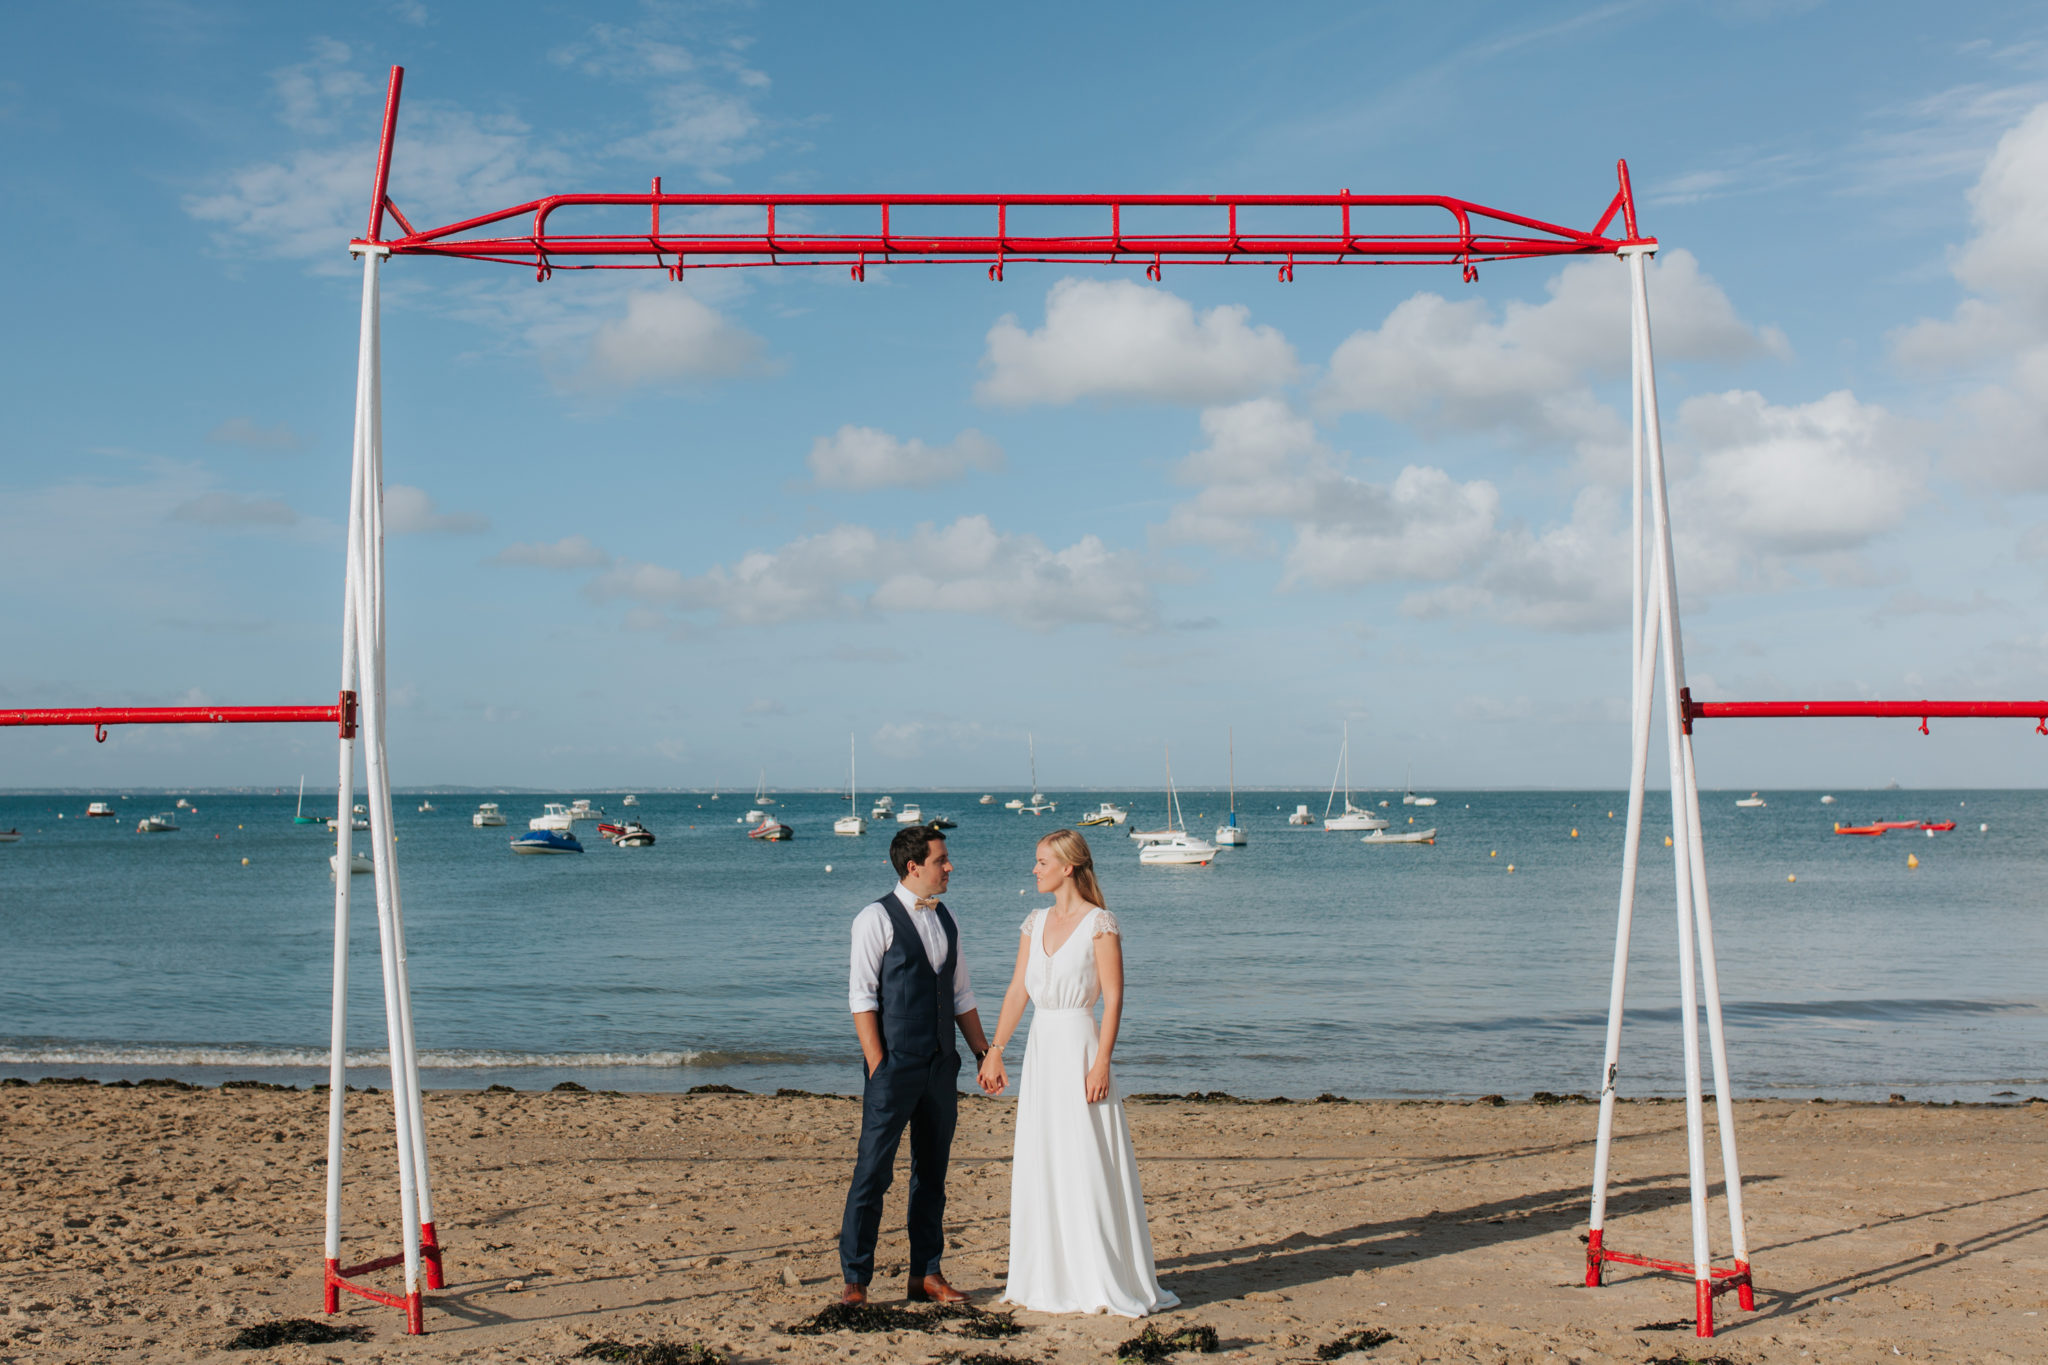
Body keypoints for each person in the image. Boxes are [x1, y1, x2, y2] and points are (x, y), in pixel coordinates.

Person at [977, 828, 1178, 1317]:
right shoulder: (1034, 920)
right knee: (1044, 1157)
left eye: (1042, 861)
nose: (1034, 868)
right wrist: (995, 1049)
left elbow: (1113, 998)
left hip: (1081, 1047)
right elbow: (1017, 991)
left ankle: (1096, 1275)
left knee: (1086, 1157)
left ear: (1068, 867)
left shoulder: (1100, 923)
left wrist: (1102, 1061)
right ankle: (1048, 1274)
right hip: (1042, 1051)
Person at [837, 825, 996, 1306]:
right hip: (894, 1067)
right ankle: (856, 1281)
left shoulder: (946, 918)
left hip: (940, 1066)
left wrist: (983, 1055)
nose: (949, 867)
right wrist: (879, 1064)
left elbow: (962, 994)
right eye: (941, 860)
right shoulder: (874, 918)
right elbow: (862, 997)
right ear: (914, 866)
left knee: (932, 1174)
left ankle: (926, 1274)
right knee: (873, 1172)